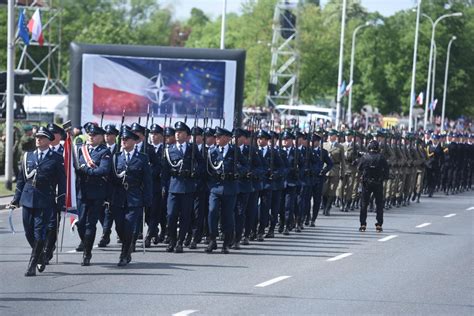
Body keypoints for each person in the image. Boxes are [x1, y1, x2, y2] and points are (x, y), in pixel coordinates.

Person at [10, 127, 66, 276]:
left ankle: (32, 265)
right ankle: (40, 254)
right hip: (27, 198)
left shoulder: (56, 158)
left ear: (49, 140)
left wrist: (60, 201)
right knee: (29, 232)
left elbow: (62, 181)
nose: (38, 139)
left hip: (45, 199)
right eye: (37, 137)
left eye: (41, 137)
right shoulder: (27, 156)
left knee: (39, 232)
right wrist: (16, 199)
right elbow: (21, 180)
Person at [109, 127, 152, 266]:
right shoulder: (116, 157)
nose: (124, 141)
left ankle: (124, 253)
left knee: (128, 226)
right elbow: (111, 179)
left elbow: (147, 181)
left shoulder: (142, 158)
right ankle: (127, 249)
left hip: (134, 198)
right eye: (122, 139)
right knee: (119, 227)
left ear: (134, 141)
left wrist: (147, 199)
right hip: (118, 197)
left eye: (127, 139)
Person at [163, 121, 204, 253]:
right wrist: (164, 186)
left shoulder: (193, 149)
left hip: (187, 186)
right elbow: (165, 170)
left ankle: (180, 241)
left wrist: (195, 173)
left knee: (185, 216)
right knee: (171, 215)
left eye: (180, 132)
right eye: (176, 132)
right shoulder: (169, 150)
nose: (177, 134)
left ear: (187, 135)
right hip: (174, 187)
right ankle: (172, 240)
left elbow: (202, 164)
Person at [206, 127, 247, 253]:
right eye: (216, 137)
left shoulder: (235, 151)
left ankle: (226, 243)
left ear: (227, 138)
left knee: (227, 216)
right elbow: (207, 169)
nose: (216, 139)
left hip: (230, 187)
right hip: (215, 187)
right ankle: (212, 239)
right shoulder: (211, 151)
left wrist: (237, 172)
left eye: (219, 137)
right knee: (212, 211)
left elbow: (245, 165)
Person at [75, 124, 111, 266]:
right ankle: (85, 242)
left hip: (96, 193)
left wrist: (85, 171)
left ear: (101, 138)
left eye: (94, 135)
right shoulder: (81, 150)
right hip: (81, 192)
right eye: (89, 134)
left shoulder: (105, 152)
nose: (91, 137)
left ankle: (87, 252)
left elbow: (103, 170)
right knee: (80, 223)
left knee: (91, 223)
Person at [357, 140, 389, 233]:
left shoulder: (365, 157)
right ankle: (379, 224)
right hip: (378, 183)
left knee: (364, 204)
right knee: (379, 204)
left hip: (366, 183)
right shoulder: (381, 157)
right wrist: (384, 177)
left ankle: (363, 224)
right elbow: (386, 170)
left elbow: (359, 168)